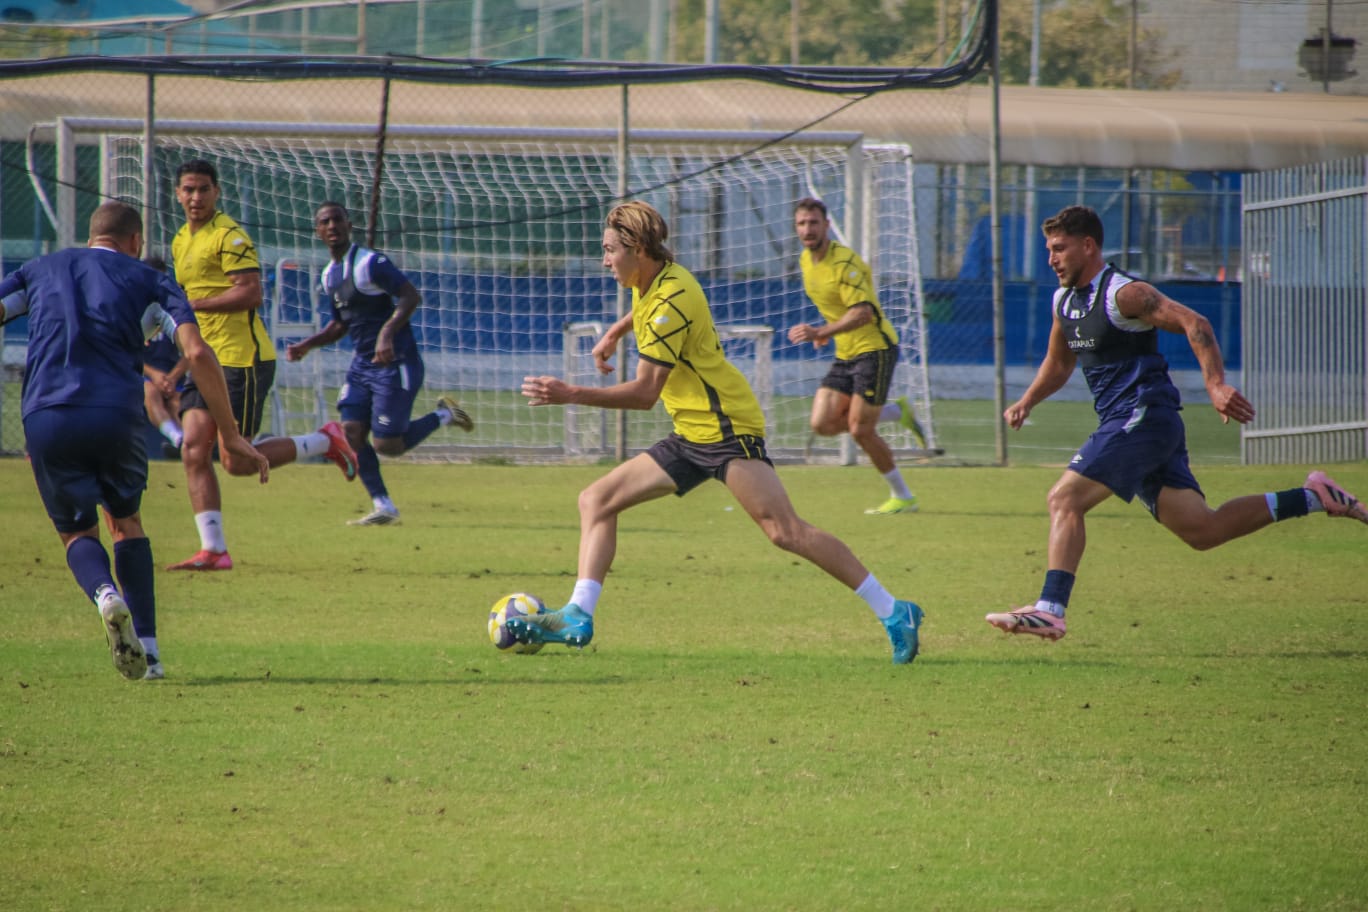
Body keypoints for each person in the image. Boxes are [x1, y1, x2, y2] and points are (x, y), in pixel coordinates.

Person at [507, 200, 924, 664]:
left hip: (727, 430)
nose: (604, 260)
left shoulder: (670, 299)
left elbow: (646, 393)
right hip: (691, 431)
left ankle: (895, 610)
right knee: (596, 500)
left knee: (785, 531)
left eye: (609, 251)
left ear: (638, 248)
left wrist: (571, 393)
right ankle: (577, 616)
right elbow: (645, 311)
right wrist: (616, 332)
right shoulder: (649, 278)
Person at [986, 204, 1367, 641]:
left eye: (1059, 249)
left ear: (1088, 246)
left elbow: (1194, 321)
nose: (1051, 259)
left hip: (1144, 414)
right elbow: (1059, 364)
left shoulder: (1123, 294)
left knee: (1064, 499)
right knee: (1203, 529)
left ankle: (1050, 609)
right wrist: (1027, 402)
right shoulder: (1065, 302)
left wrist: (1216, 385)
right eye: (1049, 250)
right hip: (1134, 421)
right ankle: (1315, 496)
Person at [0, 201, 269, 680]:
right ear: (136, 242)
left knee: (77, 533)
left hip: (47, 414)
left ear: (90, 236)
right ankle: (150, 652)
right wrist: (231, 435)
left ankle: (105, 594)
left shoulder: (39, 270)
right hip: (117, 416)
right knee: (126, 522)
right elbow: (196, 351)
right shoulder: (151, 281)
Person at [168, 159, 358, 570]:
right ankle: (214, 551)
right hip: (205, 359)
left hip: (242, 361)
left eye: (203, 189)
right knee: (193, 451)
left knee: (236, 461)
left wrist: (195, 304)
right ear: (178, 194)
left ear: (217, 192)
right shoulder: (181, 240)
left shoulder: (230, 236)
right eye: (188, 189)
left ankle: (325, 441)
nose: (196, 197)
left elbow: (251, 293)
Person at [286, 201, 474, 525]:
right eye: (324, 222)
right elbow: (340, 324)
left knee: (388, 445)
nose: (331, 226)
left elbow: (410, 296)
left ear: (349, 225)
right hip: (362, 365)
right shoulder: (329, 275)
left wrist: (387, 332)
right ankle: (383, 505)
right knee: (352, 430)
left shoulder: (370, 263)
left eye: (337, 220)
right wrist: (308, 344)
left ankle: (444, 415)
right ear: (317, 231)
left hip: (397, 362)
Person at [789, 197, 926, 515]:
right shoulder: (806, 261)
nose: (807, 229)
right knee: (822, 423)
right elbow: (833, 306)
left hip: (874, 350)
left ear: (826, 225)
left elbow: (863, 313)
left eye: (813, 222)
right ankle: (895, 412)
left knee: (860, 430)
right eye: (801, 223)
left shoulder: (844, 264)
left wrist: (822, 332)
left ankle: (903, 496)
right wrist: (829, 334)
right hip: (845, 352)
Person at [140, 255, 188, 459]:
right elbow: (124, 352)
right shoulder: (133, 310)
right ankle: (176, 438)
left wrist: (173, 377)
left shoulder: (176, 310)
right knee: (149, 391)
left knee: (178, 402)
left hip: (172, 378)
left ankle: (186, 445)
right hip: (145, 376)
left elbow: (191, 352)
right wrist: (155, 375)